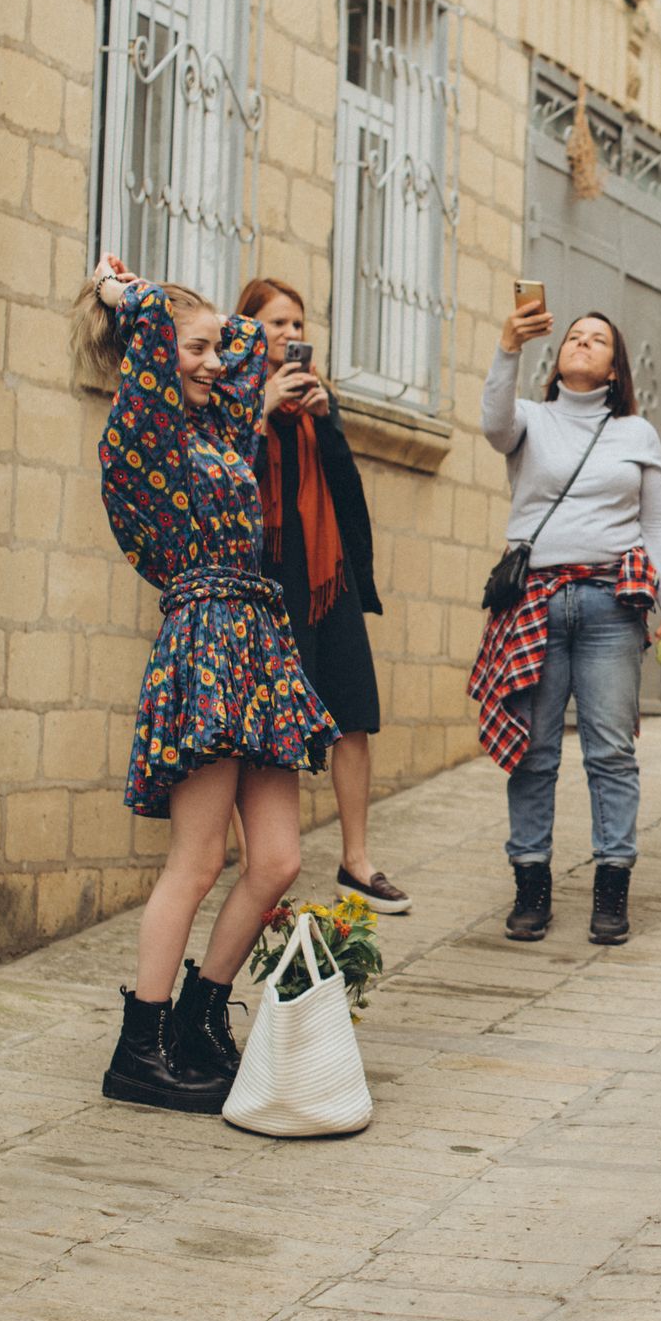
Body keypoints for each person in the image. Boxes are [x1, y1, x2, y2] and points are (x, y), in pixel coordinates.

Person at [77, 256, 339, 1114]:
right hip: (204, 641)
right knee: (196, 860)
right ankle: (139, 1048)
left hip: (256, 640)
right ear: (149, 353)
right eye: (193, 347)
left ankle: (196, 1019)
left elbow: (248, 352)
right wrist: (121, 293)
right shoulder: (138, 428)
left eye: (214, 349)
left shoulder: (217, 431)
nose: (213, 360)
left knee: (277, 859)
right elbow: (157, 328)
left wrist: (220, 339)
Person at [469, 292, 661, 946]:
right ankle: (531, 885)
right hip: (533, 601)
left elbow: (655, 526)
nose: (582, 342)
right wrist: (508, 343)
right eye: (574, 336)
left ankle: (612, 885)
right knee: (534, 752)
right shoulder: (530, 420)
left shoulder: (637, 433)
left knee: (610, 751)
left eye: (597, 338)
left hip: (609, 605)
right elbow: (491, 422)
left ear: (616, 368)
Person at [232, 278, 407, 915]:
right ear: (247, 329)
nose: (293, 336)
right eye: (278, 324)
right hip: (267, 583)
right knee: (269, 727)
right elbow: (224, 478)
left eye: (300, 325)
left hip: (326, 572)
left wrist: (324, 421)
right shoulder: (232, 396)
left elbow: (347, 494)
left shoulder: (316, 406)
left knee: (354, 711)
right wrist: (261, 406)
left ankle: (356, 862)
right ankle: (262, 868)